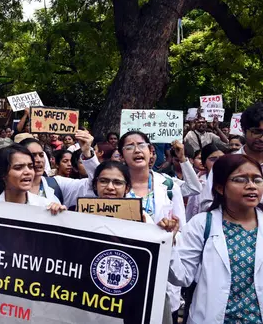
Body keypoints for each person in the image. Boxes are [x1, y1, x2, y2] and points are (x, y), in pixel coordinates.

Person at [169, 154, 263, 323]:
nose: (251, 186)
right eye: (240, 179)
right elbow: (181, 276)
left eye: (257, 179)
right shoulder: (202, 224)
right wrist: (168, 242)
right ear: (220, 188)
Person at [110, 130, 186, 321]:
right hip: (125, 272)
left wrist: (172, 234)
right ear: (121, 154)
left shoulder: (169, 186)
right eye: (129, 146)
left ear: (151, 151)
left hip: (163, 276)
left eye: (141, 145)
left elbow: (181, 229)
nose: (136, 150)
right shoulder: (114, 188)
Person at [201, 103, 263, 210]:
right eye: (257, 132)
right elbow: (206, 204)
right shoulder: (225, 164)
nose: (262, 139)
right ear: (244, 130)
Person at [18, 138, 62, 203]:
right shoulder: (11, 190)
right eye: (33, 155)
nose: (39, 160)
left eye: (41, 155)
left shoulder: (56, 183)